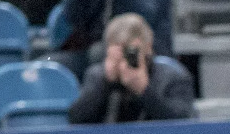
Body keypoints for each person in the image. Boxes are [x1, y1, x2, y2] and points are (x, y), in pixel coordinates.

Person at [66, 12, 195, 124]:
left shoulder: (173, 77)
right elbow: (75, 119)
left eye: (131, 52)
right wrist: (105, 83)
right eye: (118, 52)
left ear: (148, 47)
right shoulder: (97, 76)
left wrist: (143, 90)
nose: (124, 60)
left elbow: (182, 121)